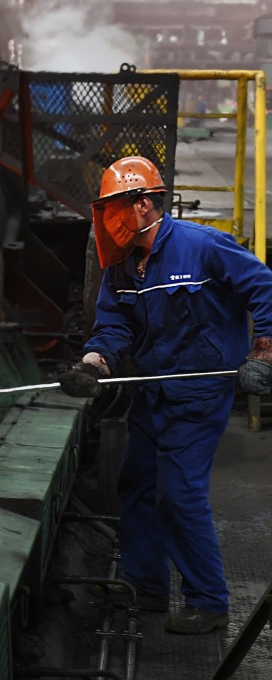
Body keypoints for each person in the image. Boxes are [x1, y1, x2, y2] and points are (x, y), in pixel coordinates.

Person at [59, 156, 272, 634]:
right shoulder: (122, 267)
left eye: (117, 208)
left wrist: (265, 352)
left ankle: (210, 601)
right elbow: (113, 325)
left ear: (143, 204)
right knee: (137, 484)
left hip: (198, 395)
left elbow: (265, 286)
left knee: (178, 495)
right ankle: (146, 585)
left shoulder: (201, 247)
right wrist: (95, 363)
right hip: (152, 392)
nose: (110, 219)